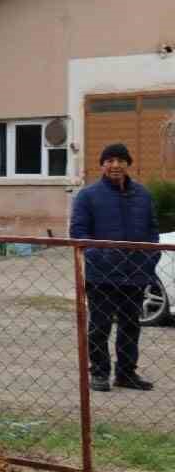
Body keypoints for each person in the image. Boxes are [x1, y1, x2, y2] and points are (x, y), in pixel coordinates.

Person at [70, 142, 159, 392]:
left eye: (120, 160)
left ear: (128, 164)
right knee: (100, 327)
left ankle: (126, 374)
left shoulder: (143, 195)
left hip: (135, 275)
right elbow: (78, 232)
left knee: (131, 326)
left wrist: (149, 259)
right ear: (102, 165)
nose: (115, 165)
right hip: (102, 276)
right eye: (110, 160)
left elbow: (153, 231)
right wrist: (102, 258)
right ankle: (99, 373)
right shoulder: (88, 196)